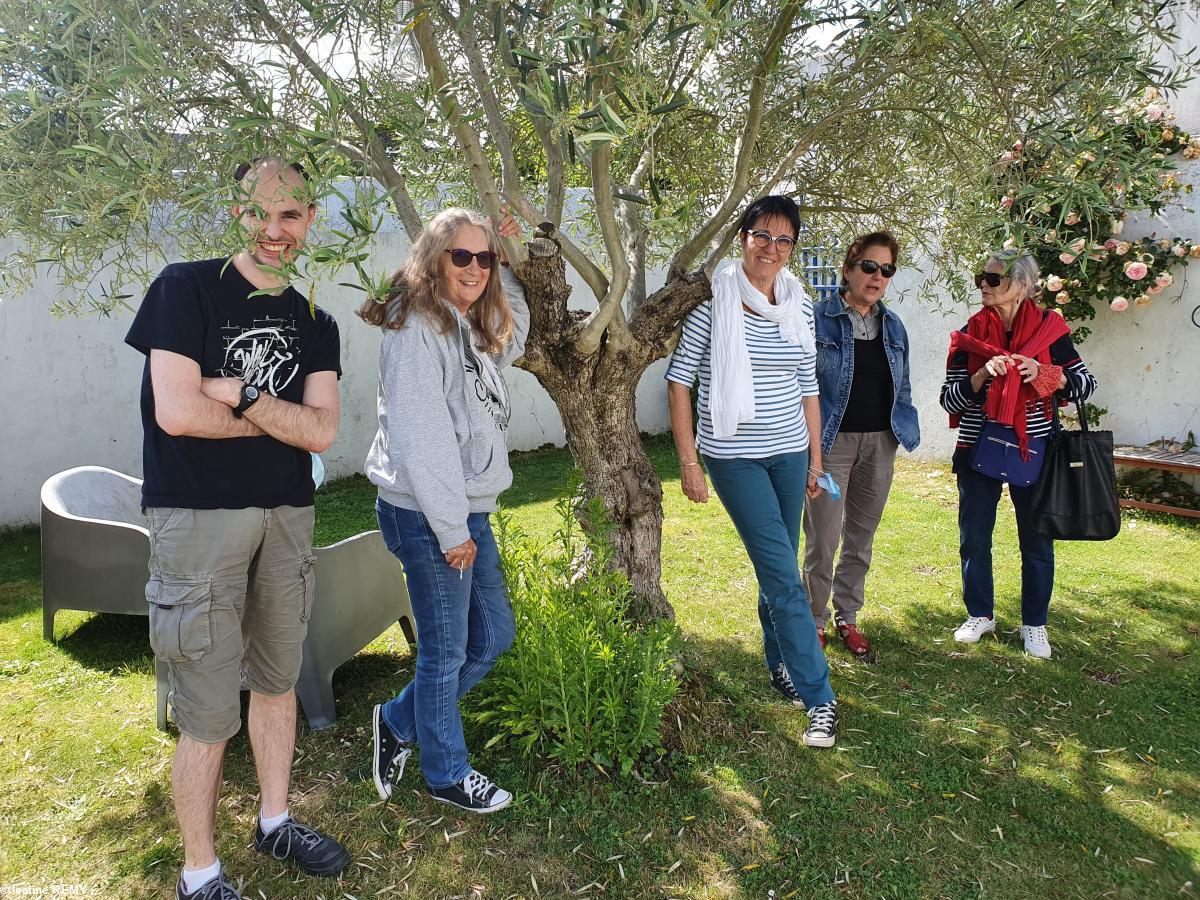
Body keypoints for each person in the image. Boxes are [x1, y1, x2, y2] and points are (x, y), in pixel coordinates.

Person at [125, 157, 347, 900]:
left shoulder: (316, 320)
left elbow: (321, 434)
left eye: (291, 215)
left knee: (278, 682)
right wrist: (278, 420)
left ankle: (276, 819)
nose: (275, 230)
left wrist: (244, 393)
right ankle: (200, 871)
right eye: (260, 213)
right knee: (208, 706)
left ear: (310, 218)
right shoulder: (184, 288)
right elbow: (178, 412)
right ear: (235, 213)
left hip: (286, 516)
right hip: (196, 518)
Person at [363, 207, 529, 812]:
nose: (476, 269)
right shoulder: (414, 329)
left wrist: (507, 251)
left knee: (493, 637)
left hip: (463, 510)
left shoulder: (464, 325)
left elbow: (522, 328)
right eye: (462, 256)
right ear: (434, 258)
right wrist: (452, 528)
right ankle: (446, 773)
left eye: (484, 259)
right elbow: (421, 436)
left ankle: (399, 721)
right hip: (429, 514)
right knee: (446, 652)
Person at [666, 195, 839, 748]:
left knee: (781, 567)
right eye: (762, 235)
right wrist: (689, 462)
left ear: (793, 248)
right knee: (783, 574)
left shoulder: (799, 305)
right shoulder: (713, 305)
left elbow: (808, 386)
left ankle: (779, 664)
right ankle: (820, 698)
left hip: (790, 453)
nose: (772, 248)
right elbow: (679, 382)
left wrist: (815, 459)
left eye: (784, 239)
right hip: (734, 458)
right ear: (743, 238)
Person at [939, 249, 1096, 659]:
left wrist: (1046, 374)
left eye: (994, 279)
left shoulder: (1051, 330)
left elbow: (1085, 383)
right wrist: (978, 376)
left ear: (1023, 285)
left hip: (1037, 449)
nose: (984, 287)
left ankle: (1034, 625)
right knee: (974, 536)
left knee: (1037, 541)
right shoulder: (968, 334)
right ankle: (980, 614)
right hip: (979, 447)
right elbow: (948, 400)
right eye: (982, 279)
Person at [803, 231, 919, 659]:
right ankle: (814, 621)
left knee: (861, 538)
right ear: (848, 269)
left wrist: (902, 426)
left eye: (886, 270)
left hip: (879, 445)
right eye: (869, 266)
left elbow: (902, 384)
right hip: (831, 446)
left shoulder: (894, 326)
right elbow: (804, 386)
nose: (877, 276)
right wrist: (812, 453)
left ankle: (847, 616)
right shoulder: (818, 319)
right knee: (823, 537)